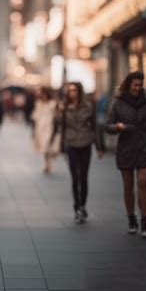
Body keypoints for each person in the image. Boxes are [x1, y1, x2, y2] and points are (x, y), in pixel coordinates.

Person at [105, 71, 146, 237]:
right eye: (135, 85)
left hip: (145, 147)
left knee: (143, 182)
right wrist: (117, 127)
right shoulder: (118, 103)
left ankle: (145, 221)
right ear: (128, 85)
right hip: (126, 147)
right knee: (128, 186)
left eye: (140, 85)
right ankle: (131, 218)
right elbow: (108, 126)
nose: (138, 88)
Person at [58, 82, 104, 224]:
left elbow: (95, 126)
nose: (72, 93)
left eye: (74, 90)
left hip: (85, 143)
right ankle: (76, 207)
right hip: (71, 143)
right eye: (70, 91)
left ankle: (83, 205)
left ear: (79, 91)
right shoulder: (64, 107)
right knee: (75, 177)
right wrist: (61, 146)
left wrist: (99, 146)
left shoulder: (89, 106)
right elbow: (61, 127)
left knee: (83, 177)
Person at [31, 87, 58, 173]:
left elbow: (56, 116)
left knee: (47, 145)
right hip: (40, 127)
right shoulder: (38, 103)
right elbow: (35, 116)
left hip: (49, 126)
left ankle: (48, 163)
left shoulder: (52, 103)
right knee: (44, 147)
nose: (41, 96)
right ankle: (47, 163)